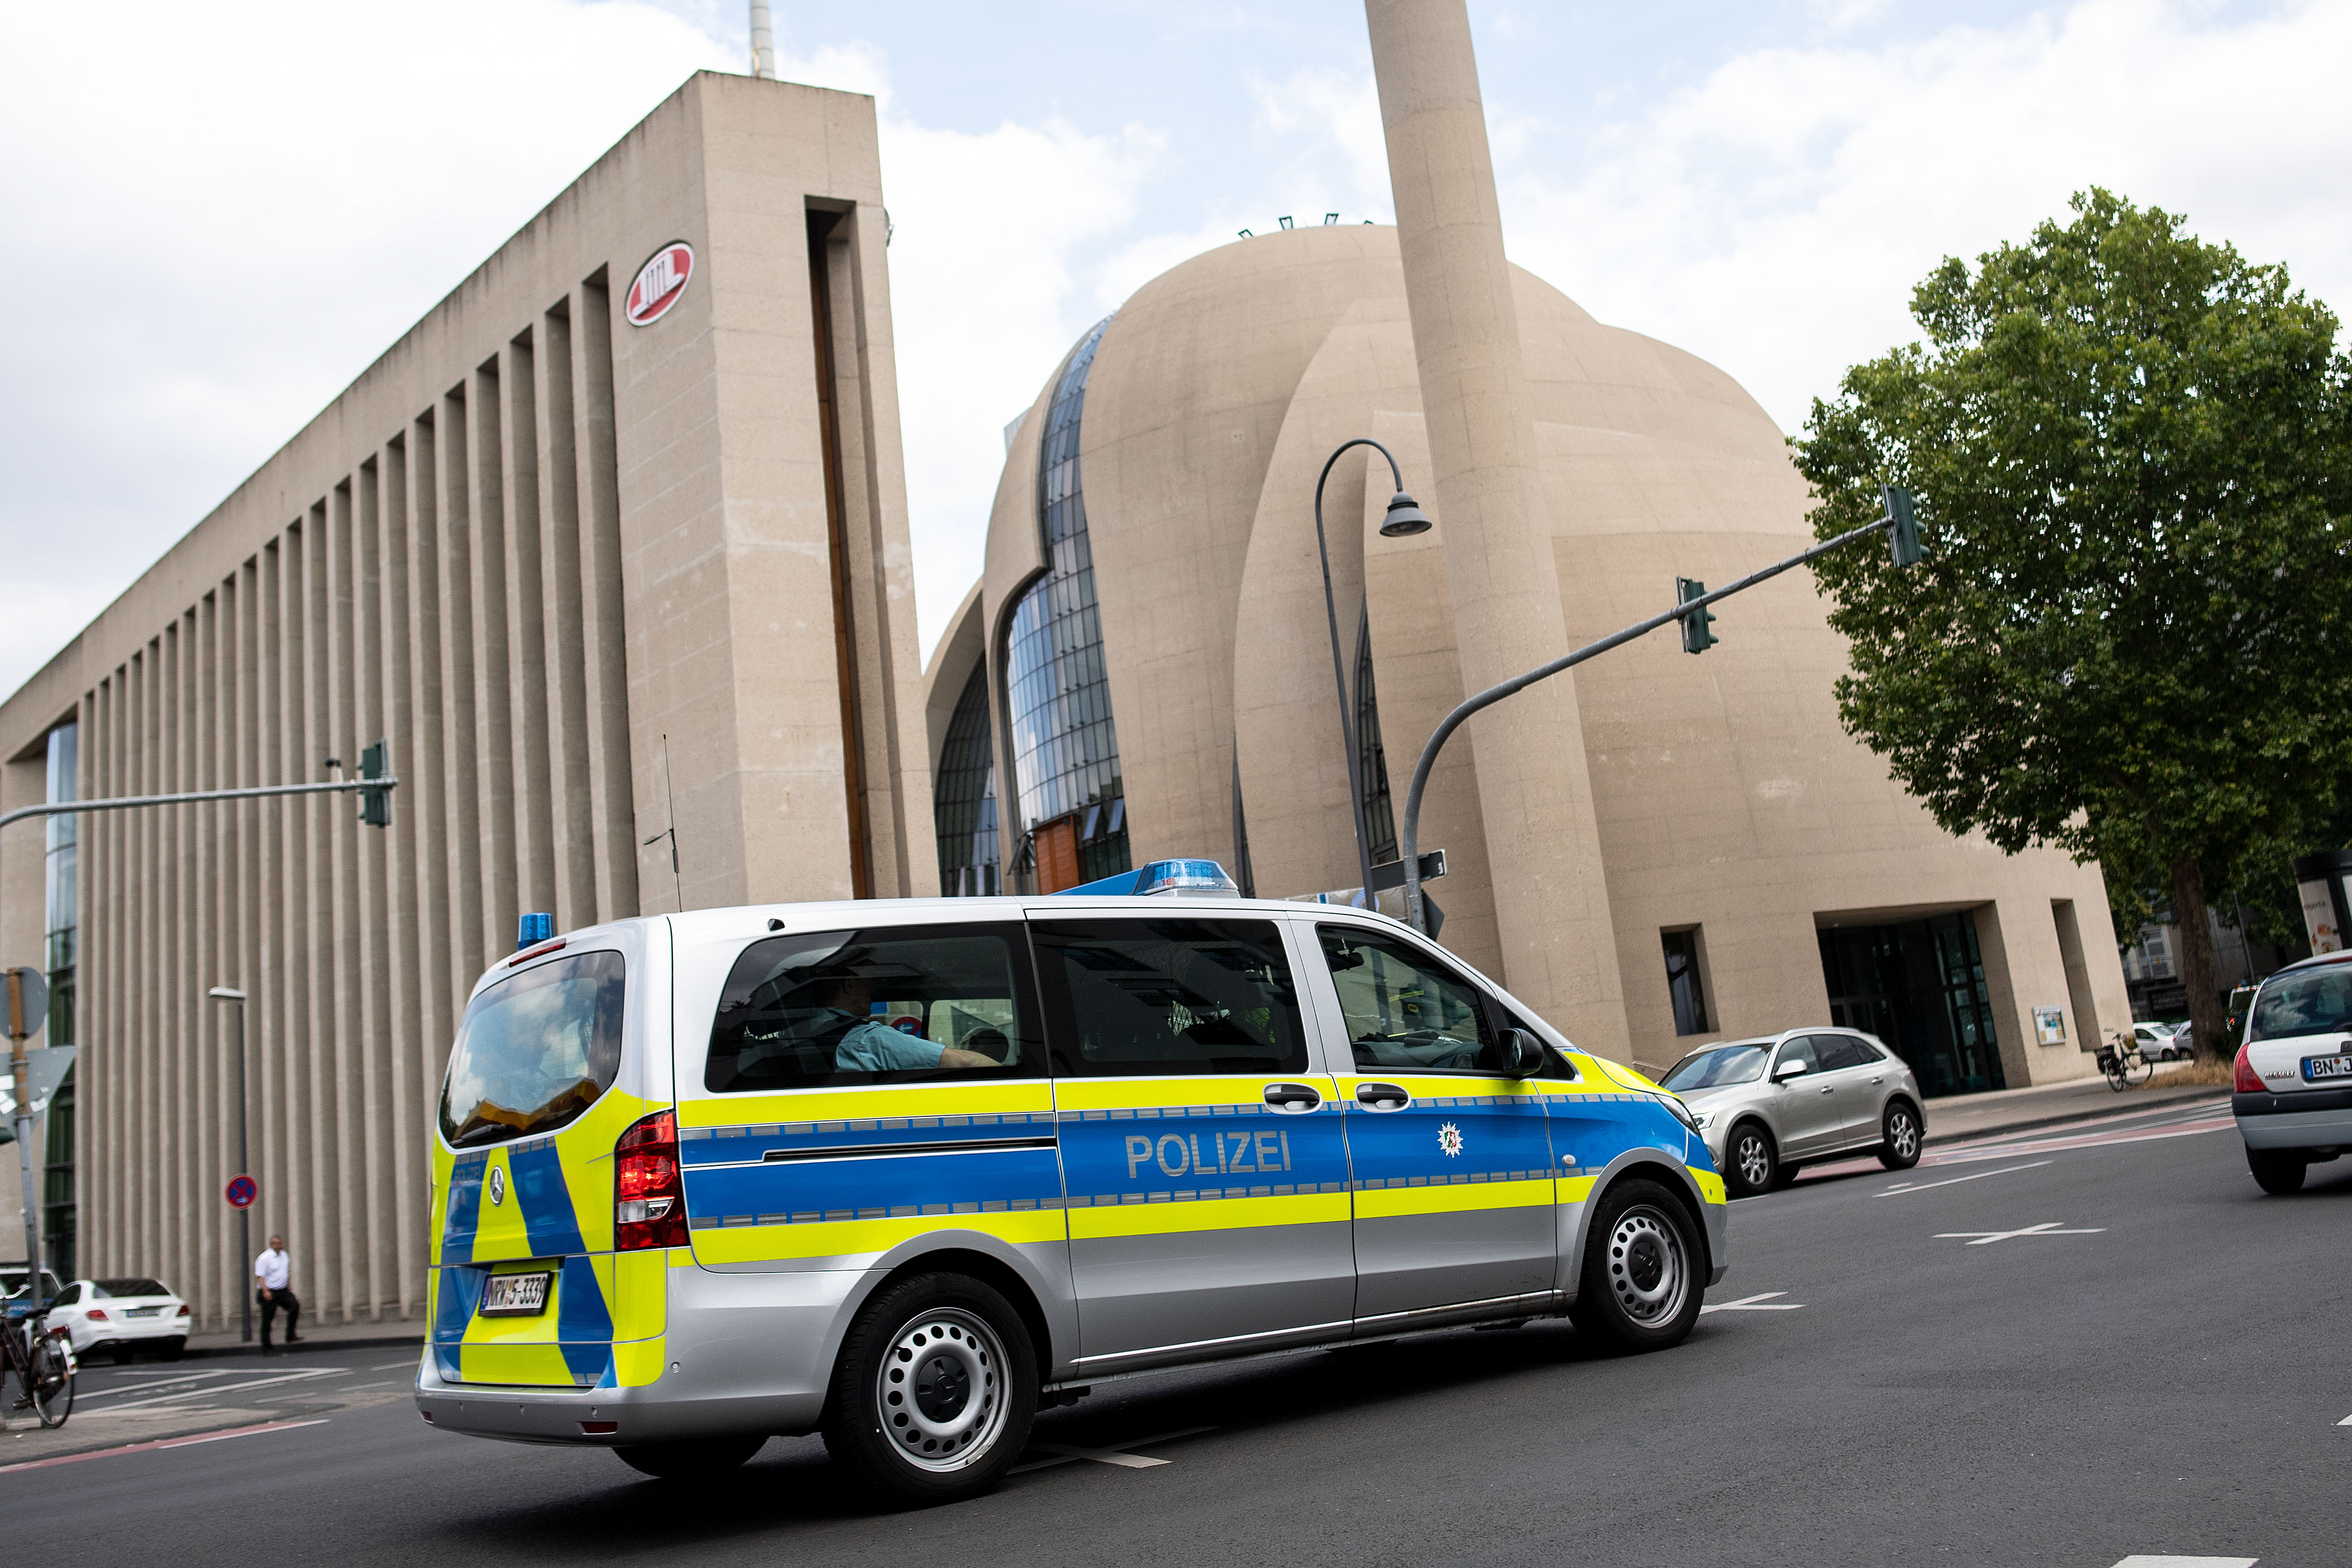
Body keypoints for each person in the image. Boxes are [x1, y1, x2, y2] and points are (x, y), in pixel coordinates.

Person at [818, 974, 995, 1073]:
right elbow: (964, 1062)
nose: (874, 990)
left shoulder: (815, 1029)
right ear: (849, 984)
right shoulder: (865, 1041)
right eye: (868, 981)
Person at [254, 1234, 300, 1354]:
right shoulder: (264, 1258)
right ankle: (267, 1348)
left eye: (280, 1243)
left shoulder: (284, 1255)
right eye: (276, 1244)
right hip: (270, 1292)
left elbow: (285, 1272)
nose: (279, 1246)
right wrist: (265, 1291)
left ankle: (290, 1334)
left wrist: (289, 1286)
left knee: (294, 1306)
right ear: (271, 1245)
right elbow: (260, 1277)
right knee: (267, 1320)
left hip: (283, 1290)